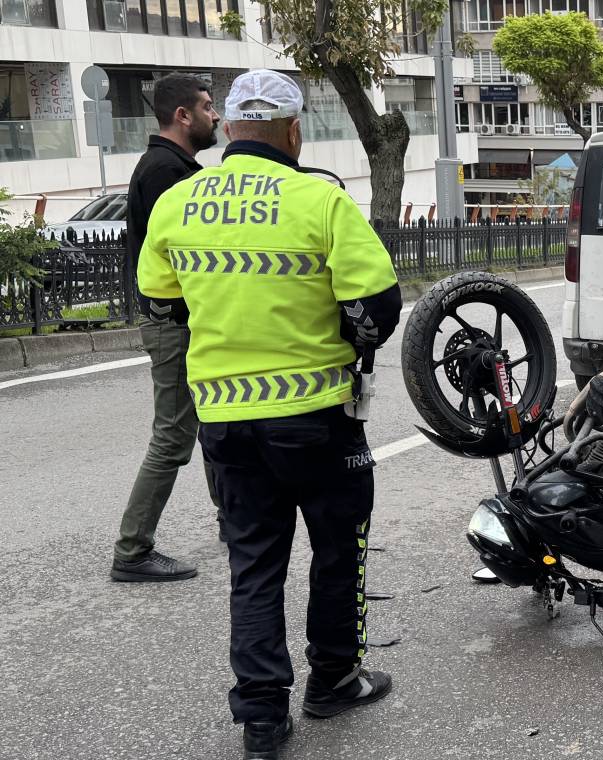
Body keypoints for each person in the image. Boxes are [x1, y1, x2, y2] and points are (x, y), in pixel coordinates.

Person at [137, 70, 404, 760]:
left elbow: (160, 300)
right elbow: (376, 308)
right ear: (293, 131)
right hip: (318, 417)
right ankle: (334, 679)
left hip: (225, 419)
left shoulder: (178, 201)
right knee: (337, 550)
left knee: (253, 564)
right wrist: (347, 342)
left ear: (227, 128)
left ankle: (261, 721)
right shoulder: (320, 199)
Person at [111, 74, 220, 583]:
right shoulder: (164, 172)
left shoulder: (173, 166)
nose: (214, 115)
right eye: (207, 106)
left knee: (217, 419)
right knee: (173, 437)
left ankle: (232, 518)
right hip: (173, 324)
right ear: (183, 115)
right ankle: (132, 550)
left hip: (184, 322)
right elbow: (182, 257)